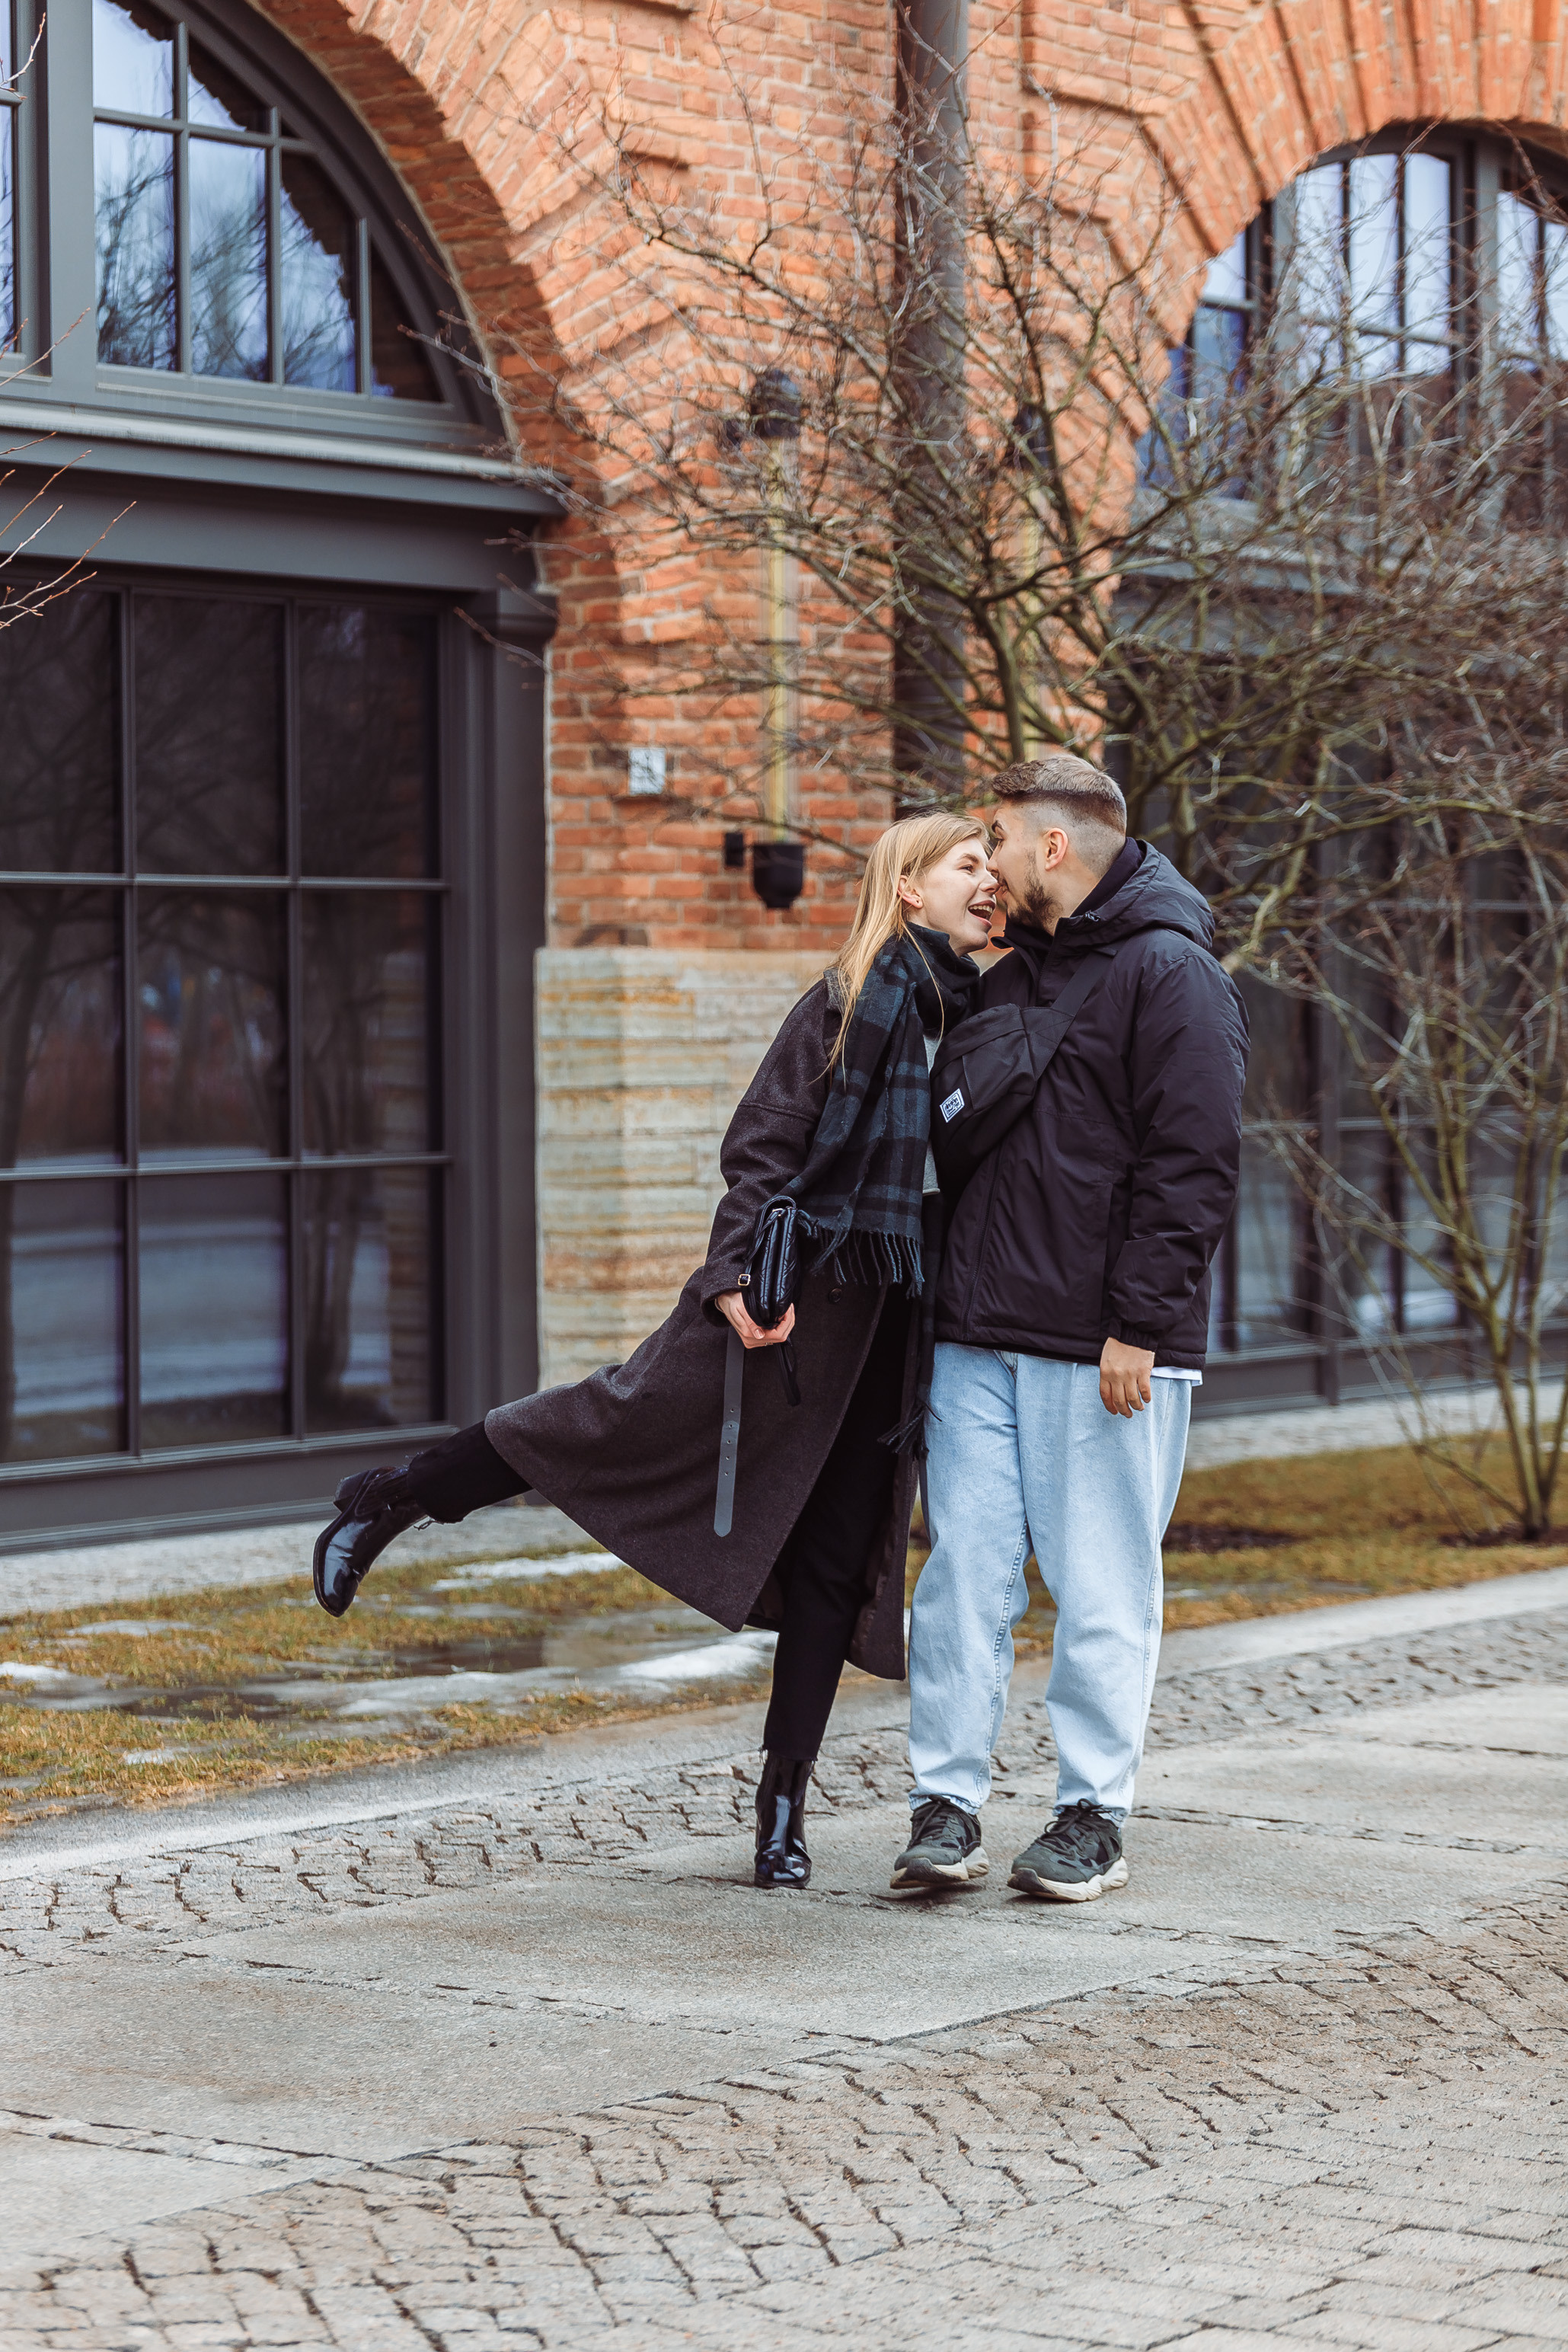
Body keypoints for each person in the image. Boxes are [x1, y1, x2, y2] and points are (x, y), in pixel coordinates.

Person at [311, 813, 996, 1888]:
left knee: (835, 1562)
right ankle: (392, 1498)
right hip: (785, 1307)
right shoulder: (844, 1004)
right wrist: (730, 1281)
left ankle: (783, 1813)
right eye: (969, 866)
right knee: (604, 1421)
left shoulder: (980, 1014)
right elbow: (760, 1149)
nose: (989, 884)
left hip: (893, 1329)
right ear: (909, 888)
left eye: (995, 869)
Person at [892, 755, 1248, 1902]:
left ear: (1054, 846)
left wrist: (1139, 1325)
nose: (984, 862)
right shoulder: (1011, 974)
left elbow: (1193, 1167)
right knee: (961, 1580)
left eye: (994, 839)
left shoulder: (1172, 973)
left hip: (1106, 1349)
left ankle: (1093, 1813)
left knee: (1101, 1584)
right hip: (974, 1332)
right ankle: (945, 1805)